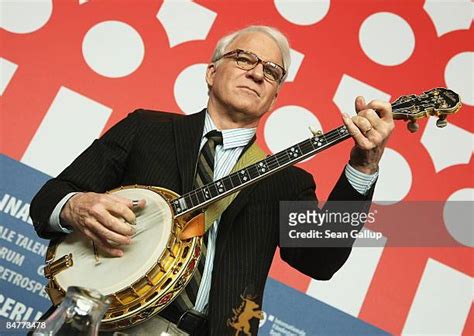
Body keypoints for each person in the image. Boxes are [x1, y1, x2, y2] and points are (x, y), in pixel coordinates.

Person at [30, 25, 394, 335]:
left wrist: (363, 168)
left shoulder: (287, 183)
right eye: (244, 59)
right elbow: (48, 201)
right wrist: (76, 206)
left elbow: (321, 261)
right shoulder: (145, 129)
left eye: (271, 71)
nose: (257, 73)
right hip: (99, 320)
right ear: (211, 72)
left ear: (275, 96)